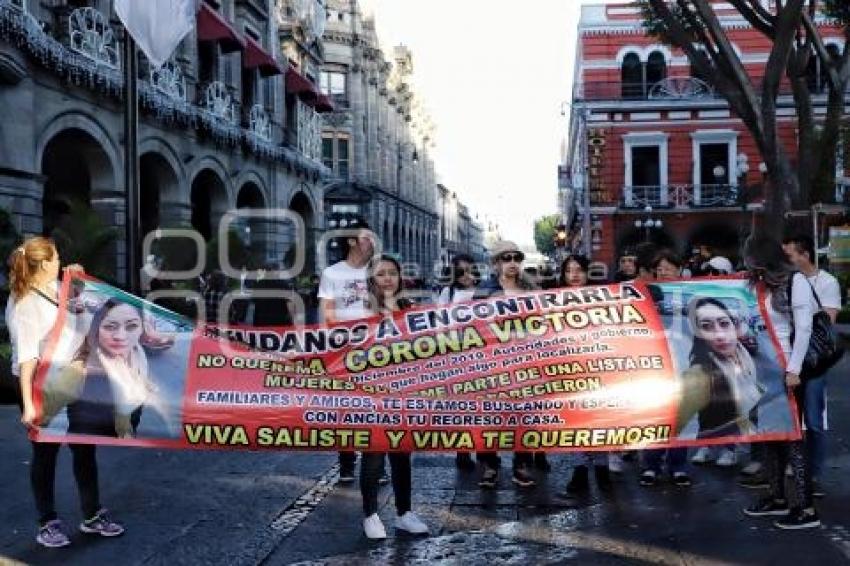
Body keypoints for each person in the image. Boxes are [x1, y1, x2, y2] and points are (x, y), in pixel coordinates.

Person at [5, 237, 124, 548]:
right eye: (56, 257)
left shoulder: (60, 286)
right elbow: (27, 357)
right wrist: (30, 405)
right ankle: (47, 522)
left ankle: (92, 515)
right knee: (46, 451)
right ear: (44, 263)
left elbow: (87, 316)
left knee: (84, 446)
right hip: (39, 384)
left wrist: (79, 282)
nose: (60, 261)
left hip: (73, 376)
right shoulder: (25, 304)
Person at [741, 235, 820, 529]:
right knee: (771, 436)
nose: (747, 261)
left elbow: (804, 327)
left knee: (794, 439)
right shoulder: (756, 283)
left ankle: (806, 508)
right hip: (762, 369)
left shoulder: (794, 281)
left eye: (750, 256)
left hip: (788, 369)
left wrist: (794, 369)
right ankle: (777, 497)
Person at [359, 255, 429, 539]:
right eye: (381, 274)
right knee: (373, 455)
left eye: (392, 273)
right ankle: (370, 514)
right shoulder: (360, 311)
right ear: (371, 280)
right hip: (370, 393)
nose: (387, 278)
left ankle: (403, 513)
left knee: (402, 454)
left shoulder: (409, 309)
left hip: (403, 393)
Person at [40, 300, 171, 439]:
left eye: (131, 326)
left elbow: (132, 387)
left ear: (141, 329)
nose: (120, 336)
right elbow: (47, 408)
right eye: (110, 326)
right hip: (90, 446)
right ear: (97, 329)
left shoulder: (137, 357)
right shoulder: (78, 372)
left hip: (121, 448)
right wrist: (38, 419)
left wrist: (144, 384)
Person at [782, 234, 841, 497]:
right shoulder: (784, 280)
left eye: (790, 254)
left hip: (812, 361)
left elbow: (825, 322)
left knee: (814, 421)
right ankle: (792, 466)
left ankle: (813, 473)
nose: (786, 260)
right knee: (787, 417)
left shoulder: (827, 282)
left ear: (804, 255)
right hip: (788, 356)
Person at [475, 241, 538, 489]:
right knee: (491, 415)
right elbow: (472, 326)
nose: (512, 262)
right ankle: (490, 465)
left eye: (516, 257)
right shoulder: (484, 290)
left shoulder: (530, 290)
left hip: (524, 362)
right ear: (496, 263)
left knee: (524, 415)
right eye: (506, 258)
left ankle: (522, 465)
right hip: (492, 363)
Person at [318, 223, 374, 483]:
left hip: (375, 349)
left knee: (376, 407)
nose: (371, 242)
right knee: (345, 408)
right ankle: (347, 462)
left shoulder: (377, 272)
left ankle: (376, 464)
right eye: (366, 237)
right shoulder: (332, 273)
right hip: (344, 349)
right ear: (352, 241)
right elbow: (327, 311)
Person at [561, 254, 612, 494]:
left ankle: (602, 468)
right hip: (568, 370)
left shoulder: (601, 299)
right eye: (569, 270)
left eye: (579, 269)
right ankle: (579, 470)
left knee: (600, 419)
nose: (574, 274)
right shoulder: (553, 300)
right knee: (575, 422)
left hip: (598, 368)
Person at [640, 251, 692, 488]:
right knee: (655, 418)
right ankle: (651, 465)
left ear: (679, 269)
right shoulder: (649, 293)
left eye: (668, 268)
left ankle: (679, 466)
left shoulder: (690, 294)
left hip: (683, 364)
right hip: (654, 367)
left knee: (681, 419)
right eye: (659, 269)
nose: (663, 273)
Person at [677, 298, 763, 438]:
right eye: (706, 326)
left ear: (733, 325)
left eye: (724, 323)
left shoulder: (743, 356)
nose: (720, 334)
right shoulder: (698, 375)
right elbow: (673, 425)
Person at [436, 254, 479, 471]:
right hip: (457, 357)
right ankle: (463, 452)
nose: (465, 276)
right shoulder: (448, 293)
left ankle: (485, 450)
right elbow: (439, 323)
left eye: (468, 270)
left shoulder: (485, 291)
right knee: (462, 407)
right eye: (460, 272)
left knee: (483, 406)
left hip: (482, 357)